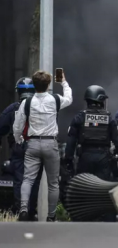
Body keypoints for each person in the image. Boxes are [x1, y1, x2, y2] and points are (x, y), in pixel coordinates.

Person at [12, 70, 73, 222]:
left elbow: (18, 124)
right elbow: (69, 98)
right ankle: (51, 216)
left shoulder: (27, 102)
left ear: (34, 84)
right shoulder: (55, 100)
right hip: (50, 143)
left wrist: (18, 138)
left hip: (32, 144)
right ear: (48, 84)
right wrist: (63, 82)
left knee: (27, 179)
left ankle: (24, 208)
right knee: (53, 183)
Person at [65, 85, 118, 181]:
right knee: (101, 189)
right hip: (103, 158)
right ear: (101, 100)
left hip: (84, 157)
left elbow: (71, 141)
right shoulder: (109, 118)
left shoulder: (79, 117)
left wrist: (68, 160)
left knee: (83, 187)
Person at [0, 77, 42, 219]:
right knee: (34, 182)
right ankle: (30, 212)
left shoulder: (12, 109)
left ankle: (21, 213)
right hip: (37, 150)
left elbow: (1, 128)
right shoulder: (43, 108)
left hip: (19, 151)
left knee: (20, 181)